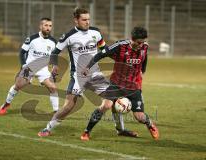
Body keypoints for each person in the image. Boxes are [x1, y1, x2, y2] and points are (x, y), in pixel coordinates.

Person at [38, 8, 138, 138]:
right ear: (76, 20)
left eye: (88, 19)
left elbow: (104, 50)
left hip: (95, 75)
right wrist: (55, 65)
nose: (87, 22)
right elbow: (54, 53)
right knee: (68, 106)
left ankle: (120, 130)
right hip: (78, 77)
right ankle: (48, 128)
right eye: (84, 19)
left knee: (111, 101)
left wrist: (121, 60)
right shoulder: (69, 36)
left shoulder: (95, 32)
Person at [80, 26, 159, 141]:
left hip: (134, 86)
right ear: (132, 39)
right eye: (139, 42)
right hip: (116, 84)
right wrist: (88, 67)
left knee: (139, 117)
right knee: (105, 106)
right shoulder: (120, 46)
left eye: (143, 42)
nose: (141, 45)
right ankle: (87, 132)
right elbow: (100, 54)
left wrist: (143, 70)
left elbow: (144, 57)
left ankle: (150, 125)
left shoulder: (145, 47)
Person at [0, 17, 59, 115]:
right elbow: (22, 53)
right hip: (30, 68)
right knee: (18, 86)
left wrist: (55, 66)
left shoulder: (53, 42)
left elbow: (54, 55)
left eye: (50, 26)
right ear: (40, 26)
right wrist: (23, 65)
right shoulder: (32, 39)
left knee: (53, 88)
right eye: (46, 25)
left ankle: (56, 112)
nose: (48, 28)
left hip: (43, 69)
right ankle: (6, 104)